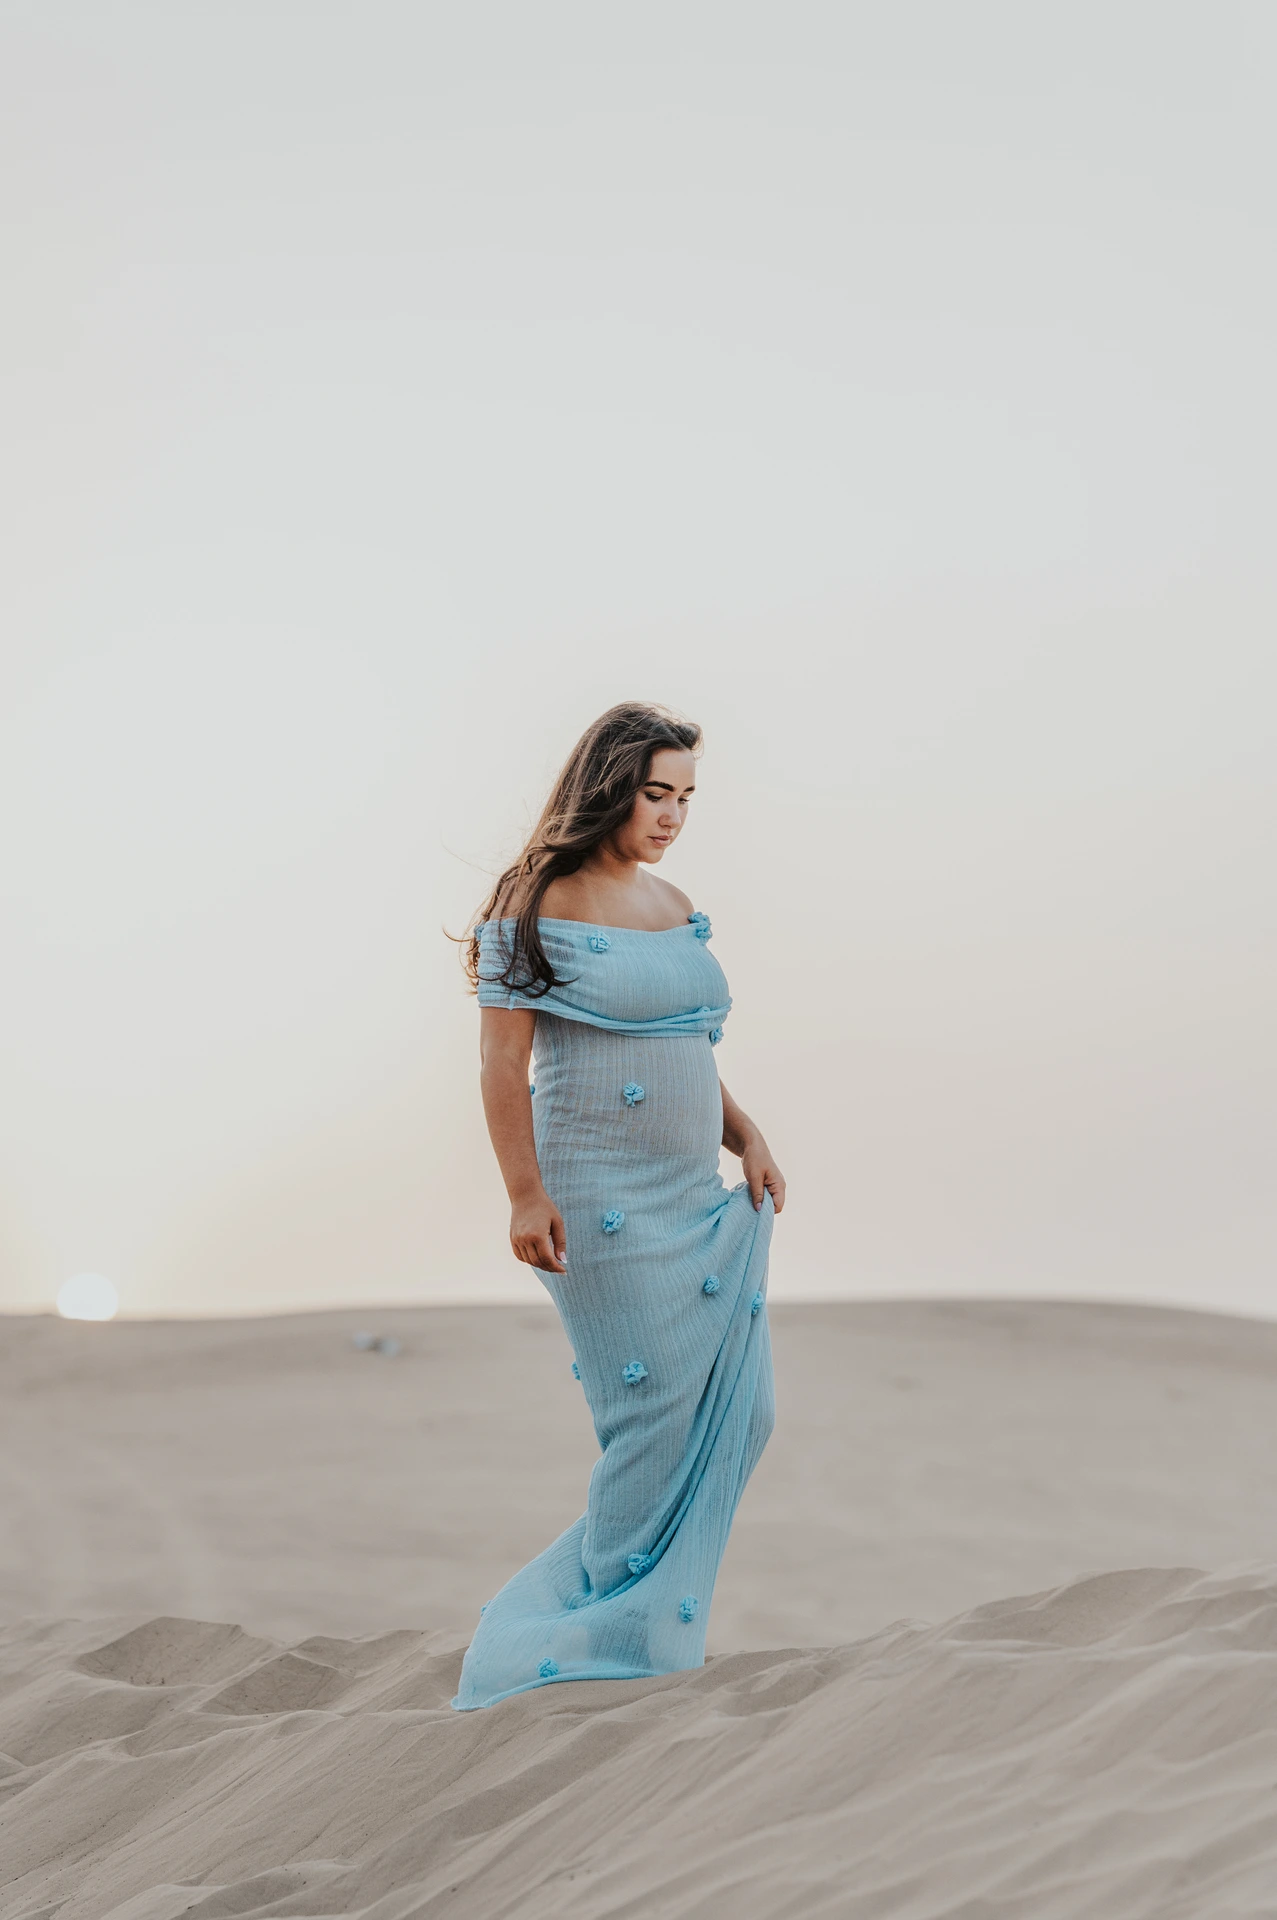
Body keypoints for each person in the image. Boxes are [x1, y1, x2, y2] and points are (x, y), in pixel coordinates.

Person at [452, 701, 785, 1710]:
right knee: (649, 1419)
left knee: (744, 1412)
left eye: (685, 797)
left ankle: (626, 1628)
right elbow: (500, 1065)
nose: (671, 816)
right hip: (592, 1194)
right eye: (655, 794)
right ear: (608, 788)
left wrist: (745, 1134)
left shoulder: (673, 902)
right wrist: (523, 1194)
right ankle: (585, 1651)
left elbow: (686, 1041)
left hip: (692, 1193)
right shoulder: (537, 900)